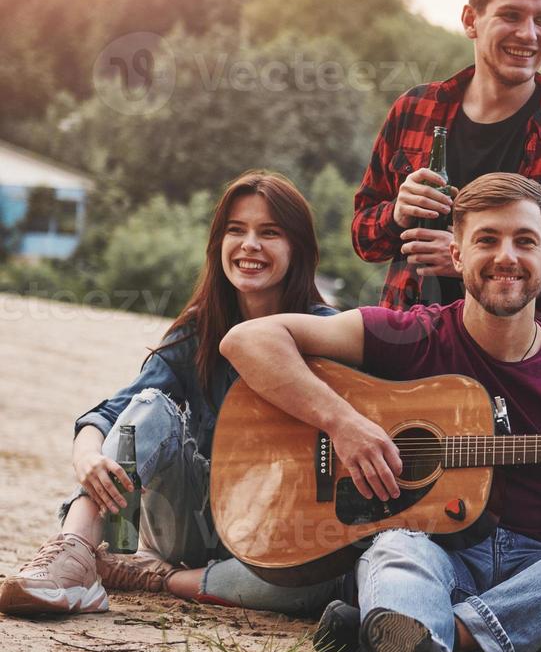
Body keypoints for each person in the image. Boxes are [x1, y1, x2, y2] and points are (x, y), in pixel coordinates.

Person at [221, 174, 541, 652]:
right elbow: (248, 340)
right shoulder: (411, 335)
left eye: (524, 241)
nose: (506, 257)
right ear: (457, 253)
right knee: (396, 546)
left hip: (538, 584)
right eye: (487, 240)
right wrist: (343, 423)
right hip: (437, 557)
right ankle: (428, 643)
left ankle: (441, 638)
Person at [0, 172, 340, 618]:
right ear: (218, 243)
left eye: (269, 233)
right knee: (152, 406)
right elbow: (121, 409)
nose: (249, 245)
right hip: (192, 524)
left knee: (318, 588)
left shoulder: (330, 332)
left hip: (278, 537)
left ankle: (151, 574)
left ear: (298, 247)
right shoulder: (201, 328)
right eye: (236, 230)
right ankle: (76, 550)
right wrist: (86, 454)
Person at [351, 0, 541, 330]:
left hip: (512, 366)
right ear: (470, 20)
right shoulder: (412, 110)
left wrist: (473, 262)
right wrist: (396, 212)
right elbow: (365, 240)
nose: (529, 34)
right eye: (511, 15)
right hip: (404, 352)